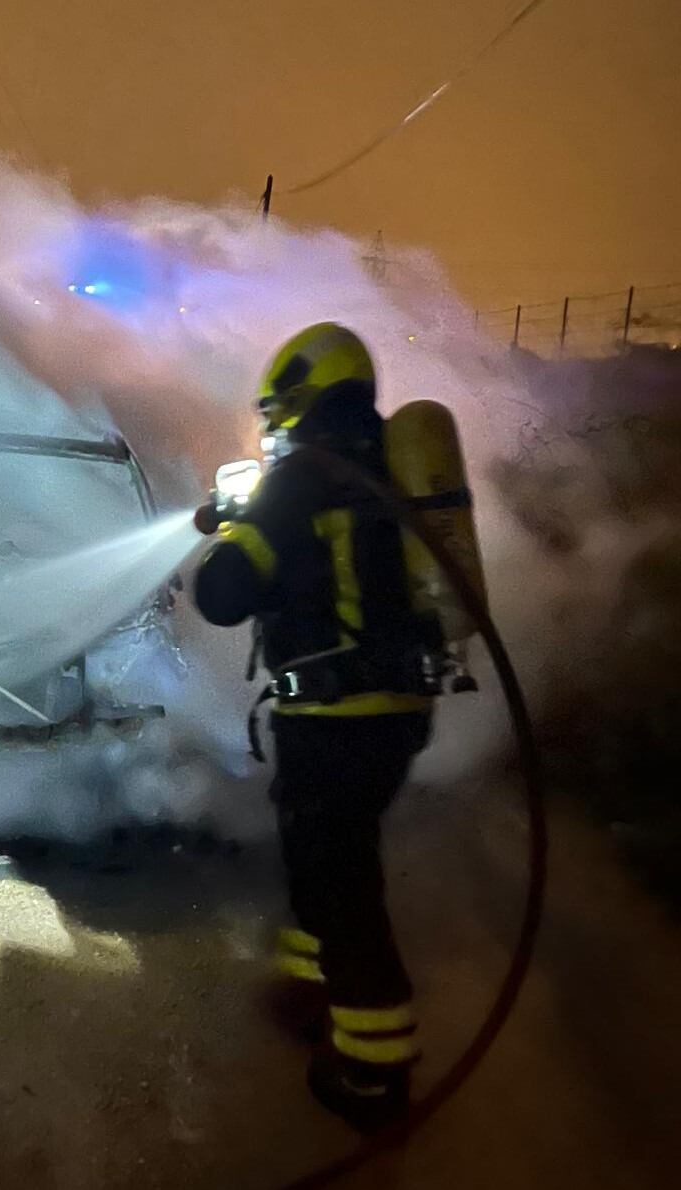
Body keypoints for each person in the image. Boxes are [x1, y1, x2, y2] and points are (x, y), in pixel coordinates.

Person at [193, 323, 433, 1131]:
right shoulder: (383, 471)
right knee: (328, 855)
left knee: (341, 882)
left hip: (337, 715)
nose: (273, 423)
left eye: (275, 408)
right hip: (394, 710)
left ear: (298, 395)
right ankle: (312, 986)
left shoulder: (300, 481)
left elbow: (223, 596)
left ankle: (374, 1068)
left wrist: (234, 528)